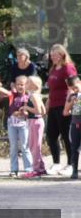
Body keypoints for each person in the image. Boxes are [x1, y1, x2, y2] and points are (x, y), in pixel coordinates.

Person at [45, 44, 78, 176]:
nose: (52, 57)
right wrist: (48, 102)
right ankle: (56, 163)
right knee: (51, 135)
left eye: (55, 55)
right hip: (53, 105)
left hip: (64, 105)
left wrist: (67, 106)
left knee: (66, 136)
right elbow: (51, 89)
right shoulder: (53, 69)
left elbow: (72, 87)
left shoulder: (68, 68)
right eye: (51, 55)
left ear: (62, 55)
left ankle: (71, 164)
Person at [0, 76, 33, 176]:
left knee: (25, 146)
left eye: (23, 84)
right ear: (15, 85)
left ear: (27, 85)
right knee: (13, 147)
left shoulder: (29, 97)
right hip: (12, 124)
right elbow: (5, 91)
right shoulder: (13, 95)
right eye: (18, 84)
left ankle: (29, 169)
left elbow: (29, 111)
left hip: (23, 125)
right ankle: (14, 169)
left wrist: (25, 113)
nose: (20, 86)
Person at [20, 76, 48, 178]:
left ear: (33, 85)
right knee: (35, 145)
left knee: (34, 146)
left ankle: (37, 170)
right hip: (37, 121)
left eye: (28, 82)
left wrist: (26, 107)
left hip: (35, 122)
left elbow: (39, 111)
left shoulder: (33, 96)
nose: (25, 84)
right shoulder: (36, 95)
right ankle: (41, 167)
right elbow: (44, 111)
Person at [65, 75, 81, 180]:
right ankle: (74, 170)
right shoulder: (72, 96)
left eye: (76, 87)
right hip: (76, 124)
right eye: (72, 88)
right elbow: (66, 111)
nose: (75, 90)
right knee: (74, 148)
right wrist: (72, 102)